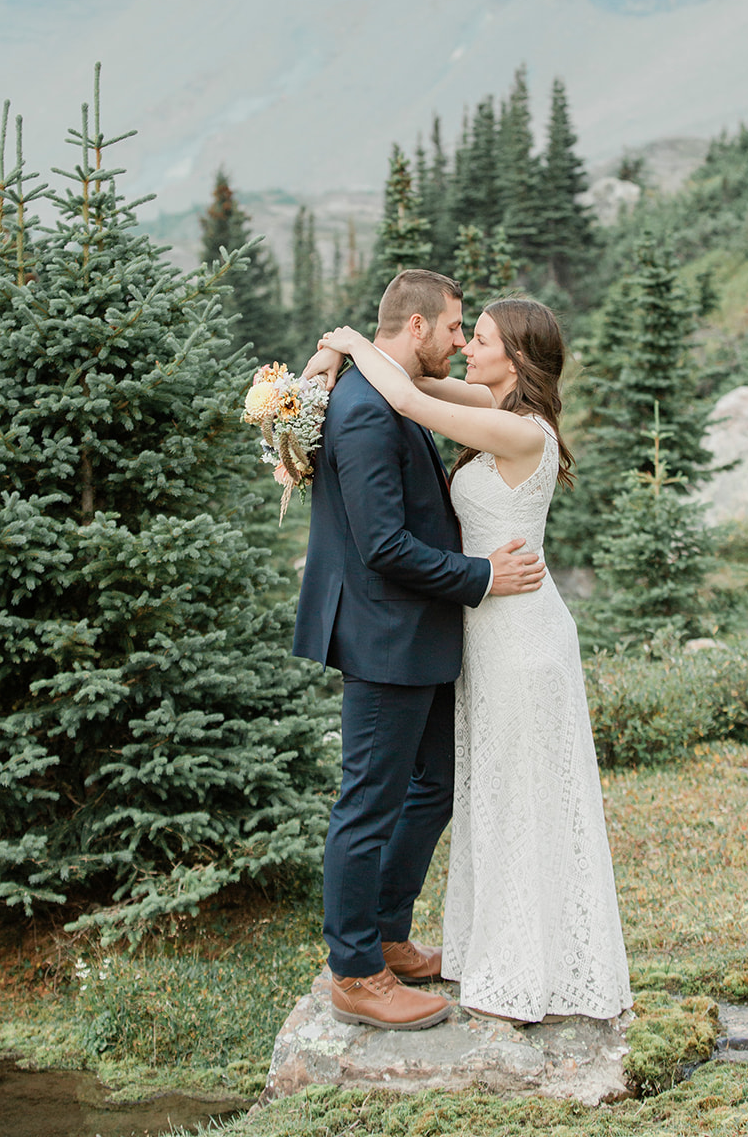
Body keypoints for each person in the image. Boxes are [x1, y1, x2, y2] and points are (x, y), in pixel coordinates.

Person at [310, 295, 631, 1025]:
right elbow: (407, 379)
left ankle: (528, 963)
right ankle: (409, 945)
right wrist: (330, 358)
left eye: (476, 338)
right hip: (481, 633)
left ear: (514, 358)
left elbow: (399, 390)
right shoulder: (487, 403)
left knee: (517, 798)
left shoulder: (515, 430)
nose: (463, 347)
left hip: (518, 637)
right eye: (460, 330)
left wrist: (352, 339)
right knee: (472, 792)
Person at [294, 269, 548, 1030]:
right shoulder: (369, 410)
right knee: (368, 801)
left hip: (420, 630)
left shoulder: (386, 392)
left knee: (430, 787)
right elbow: (381, 546)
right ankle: (355, 970)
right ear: (414, 328)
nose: (458, 342)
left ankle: (388, 932)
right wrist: (482, 577)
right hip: (384, 633)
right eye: (451, 329)